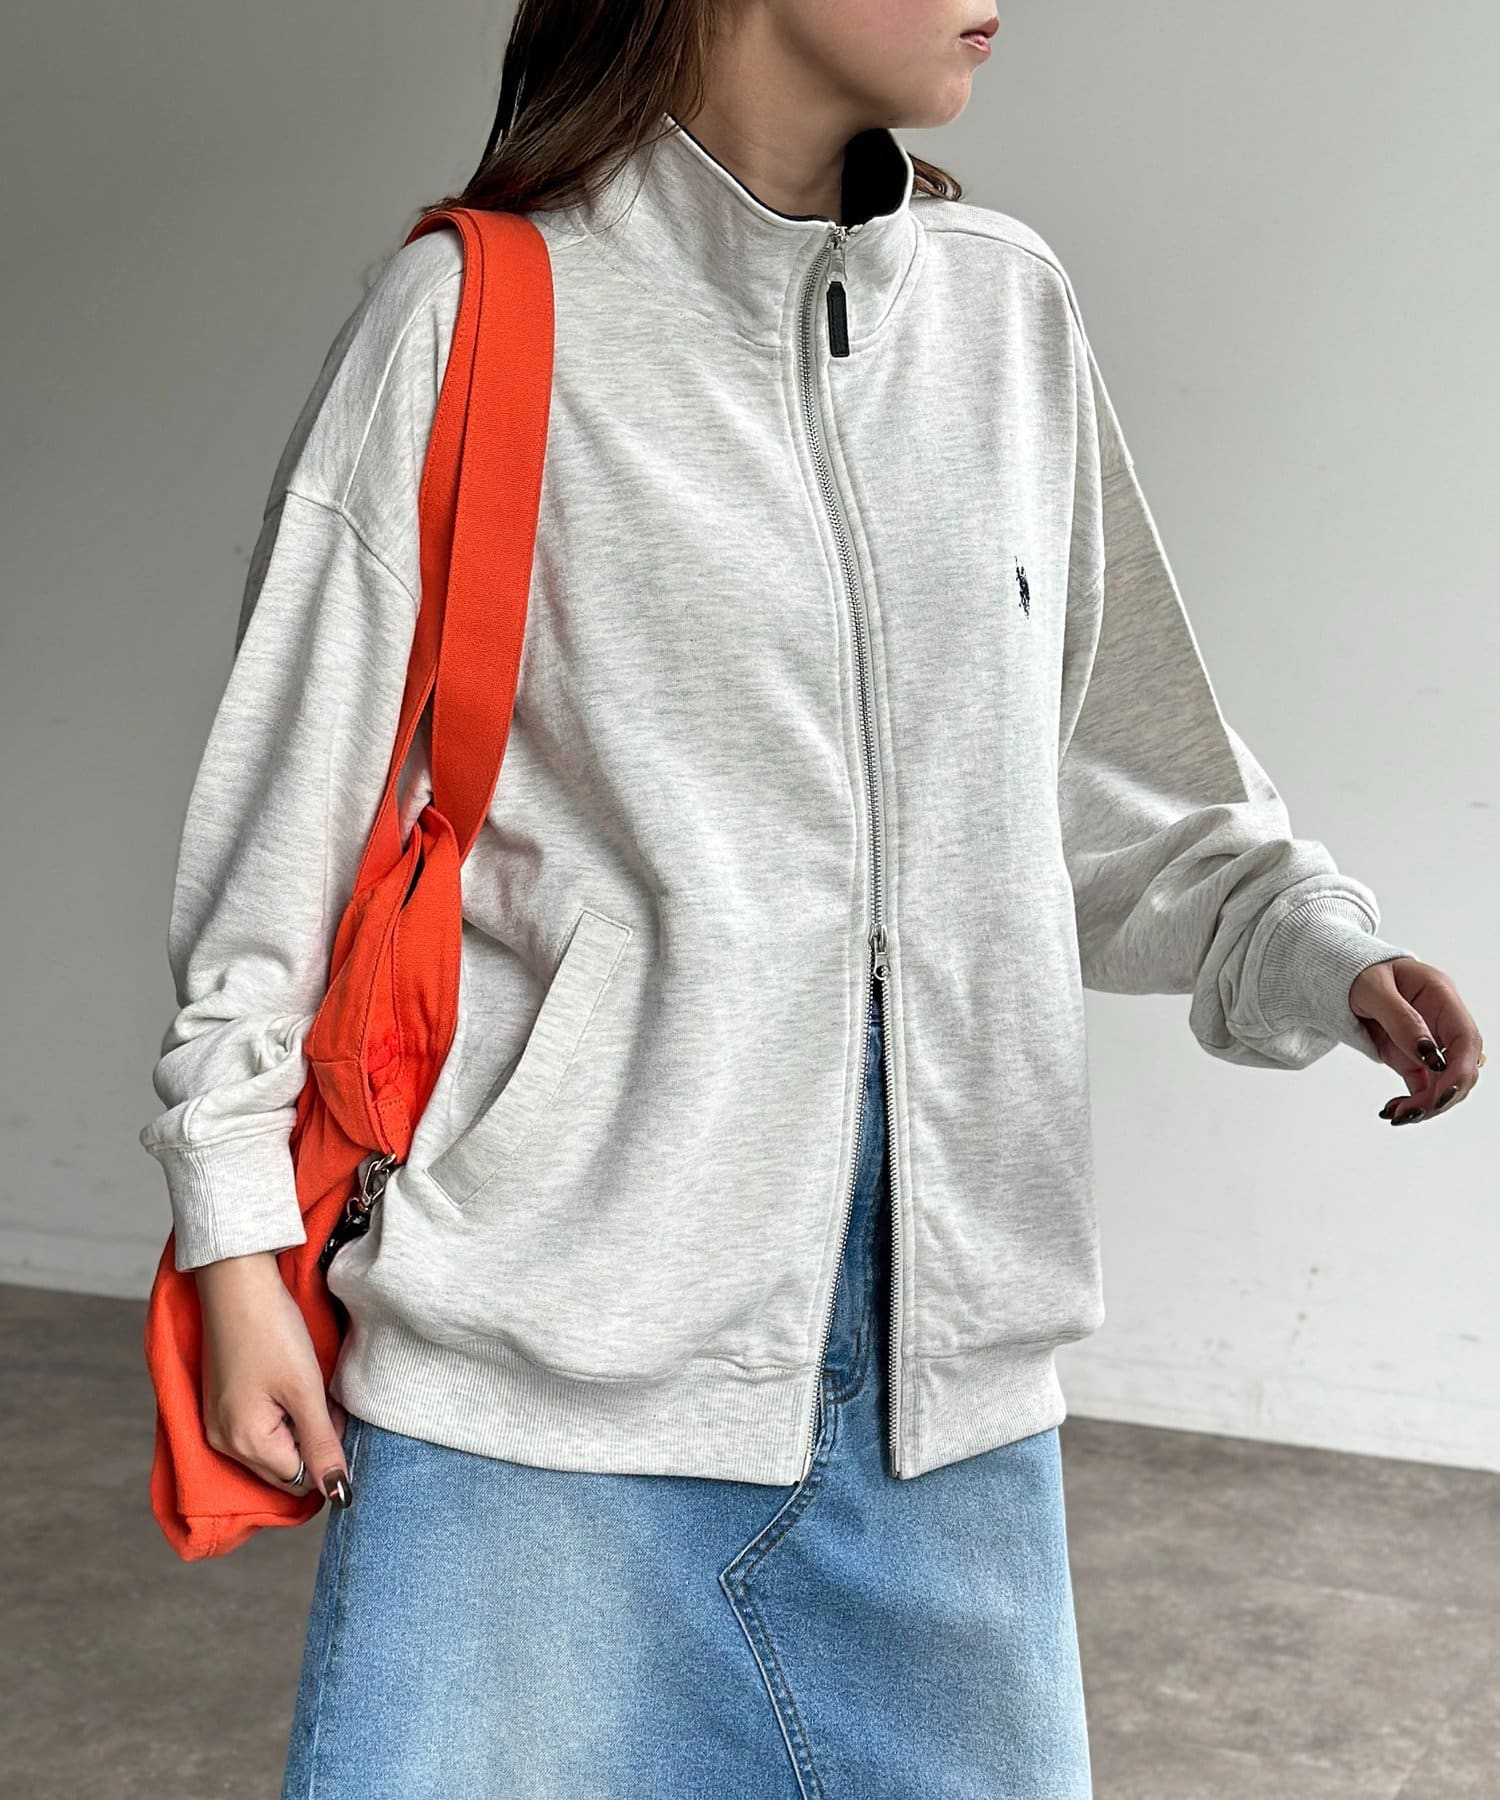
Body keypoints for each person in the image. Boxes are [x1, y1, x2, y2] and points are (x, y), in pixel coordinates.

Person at [138, 2, 1483, 1794]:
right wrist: (234, 1244)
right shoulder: (472, 318)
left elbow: (1111, 788)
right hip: (550, 1399)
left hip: (950, 1409)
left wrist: (1314, 946)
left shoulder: (1004, 318)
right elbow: (280, 837)